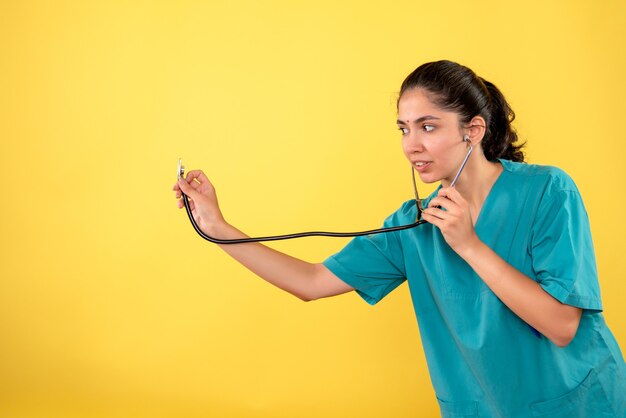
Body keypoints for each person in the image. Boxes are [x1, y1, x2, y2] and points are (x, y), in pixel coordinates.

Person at [172, 60, 626, 417]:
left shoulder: (548, 190)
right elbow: (311, 282)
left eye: (428, 126)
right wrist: (219, 228)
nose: (411, 145)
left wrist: (469, 245)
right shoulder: (414, 225)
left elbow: (563, 325)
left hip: (580, 403)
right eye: (404, 129)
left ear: (473, 131)